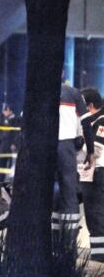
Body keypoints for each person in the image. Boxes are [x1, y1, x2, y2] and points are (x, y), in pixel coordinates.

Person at [54, 82, 92, 239]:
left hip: (44, 148)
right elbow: (86, 124)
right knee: (70, 194)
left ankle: (52, 239)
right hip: (67, 146)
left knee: (48, 194)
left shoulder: (38, 90)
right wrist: (89, 151)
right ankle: (69, 243)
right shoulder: (74, 93)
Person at [80, 88, 104, 261]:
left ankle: (99, 257)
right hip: (95, 173)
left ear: (90, 106)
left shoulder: (101, 122)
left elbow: (95, 150)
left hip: (98, 173)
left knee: (95, 215)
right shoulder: (94, 121)